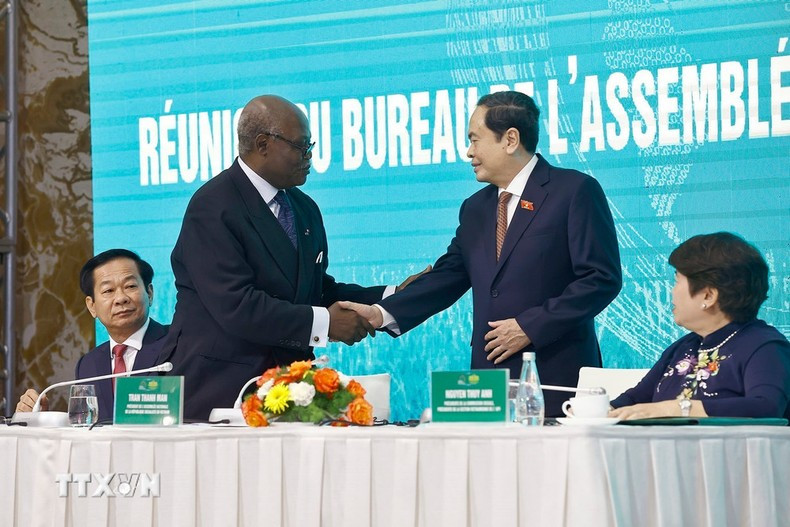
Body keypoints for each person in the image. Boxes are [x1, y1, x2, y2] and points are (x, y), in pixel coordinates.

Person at [341, 91, 622, 416]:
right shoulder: (476, 209)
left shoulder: (573, 191)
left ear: (510, 139)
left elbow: (601, 279)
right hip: (488, 383)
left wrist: (529, 327)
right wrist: (382, 313)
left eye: (475, 140)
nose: (469, 152)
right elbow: (448, 276)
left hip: (556, 377)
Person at [158, 95, 426, 420]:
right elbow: (238, 306)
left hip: (288, 393)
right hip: (221, 391)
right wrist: (327, 324)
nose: (310, 156)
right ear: (263, 144)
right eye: (302, 147)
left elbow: (315, 290)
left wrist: (391, 296)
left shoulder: (303, 208)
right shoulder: (213, 207)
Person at [610, 233, 790, 420]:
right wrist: (595, 410)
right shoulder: (684, 346)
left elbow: (766, 407)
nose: (672, 291)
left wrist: (677, 409)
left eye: (677, 281)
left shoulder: (766, 346)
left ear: (708, 296)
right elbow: (634, 399)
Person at [15, 249, 168, 421]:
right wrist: (41, 418)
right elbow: (84, 428)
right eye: (108, 290)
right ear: (92, 306)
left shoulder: (177, 343)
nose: (120, 298)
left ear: (150, 293)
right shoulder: (88, 365)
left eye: (130, 286)